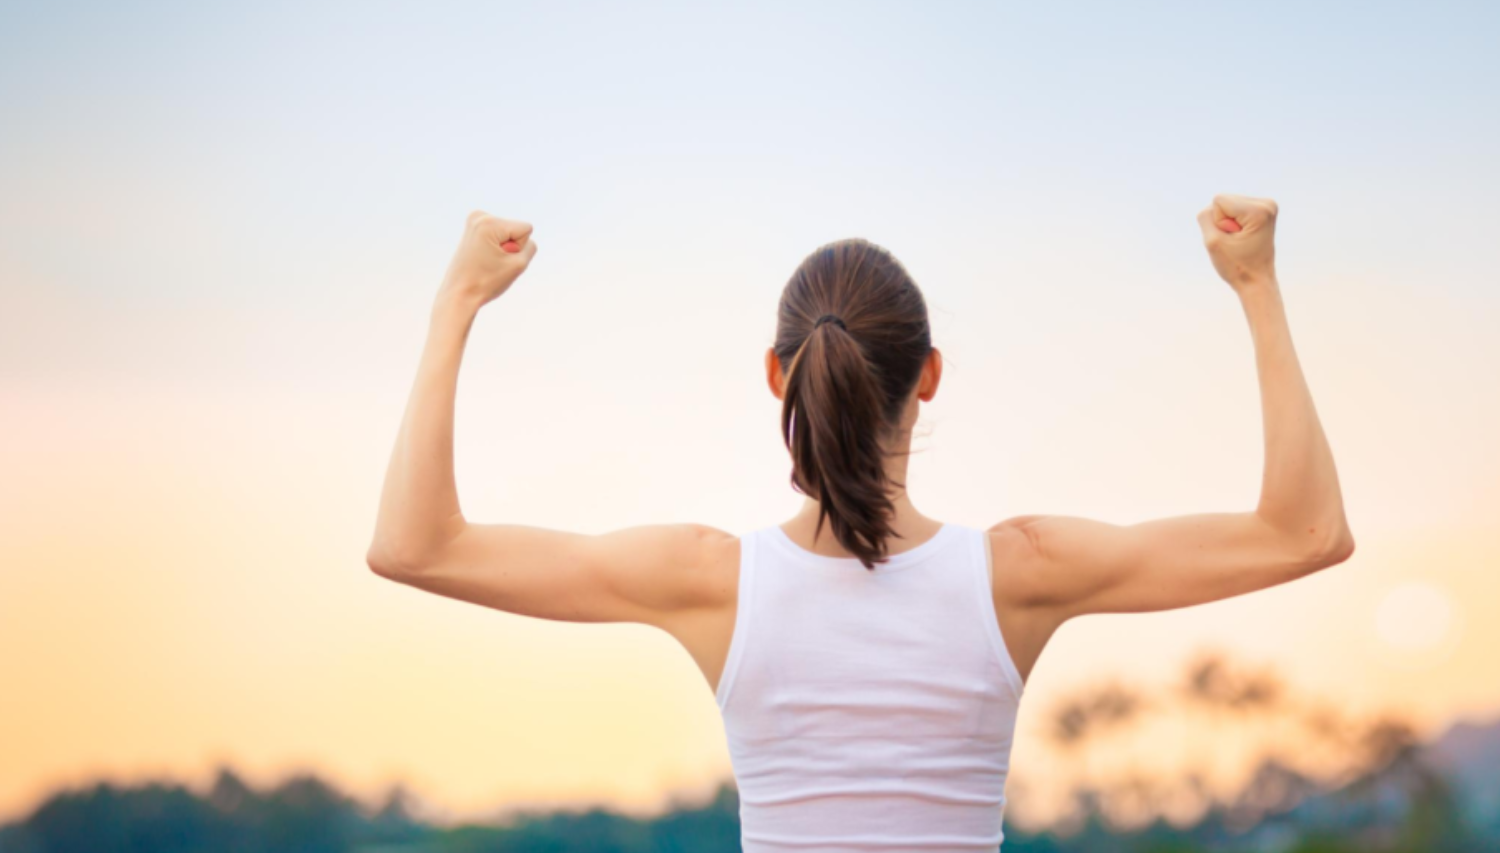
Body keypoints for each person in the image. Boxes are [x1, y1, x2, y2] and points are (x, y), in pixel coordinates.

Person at [367, 194, 1353, 852]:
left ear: (774, 376)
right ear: (928, 374)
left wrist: (459, 299)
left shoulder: (710, 579)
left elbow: (413, 546)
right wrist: (1254, 283)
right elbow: (1302, 532)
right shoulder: (1020, 570)